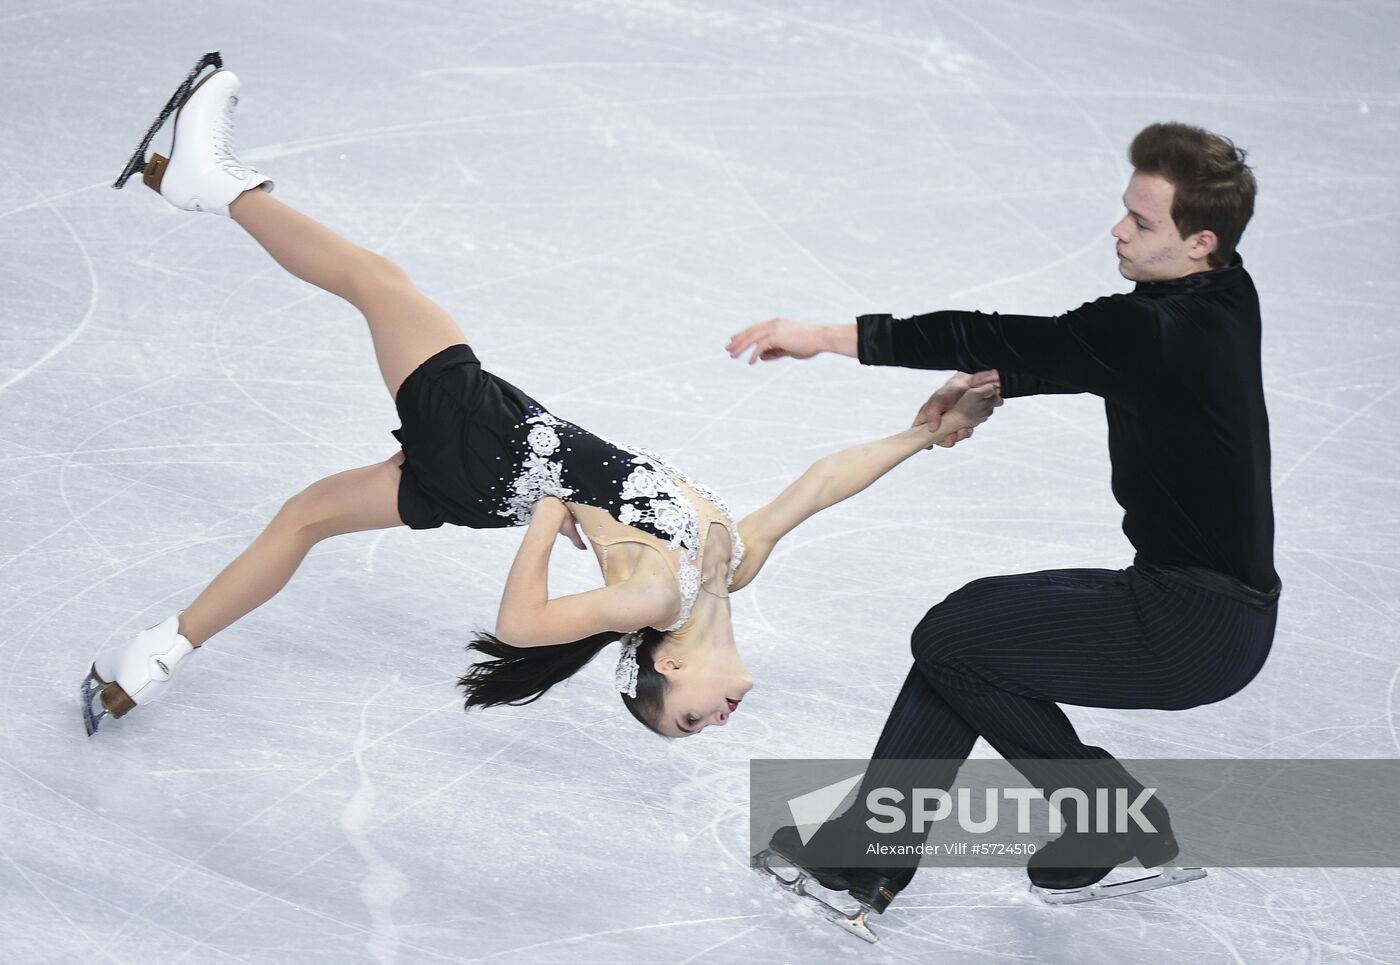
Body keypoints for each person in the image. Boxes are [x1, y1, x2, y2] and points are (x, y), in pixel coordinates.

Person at [81, 61, 1001, 740]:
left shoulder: (649, 596)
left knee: (374, 279)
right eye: (696, 725)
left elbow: (522, 624)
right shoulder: (726, 566)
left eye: (685, 720)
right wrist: (921, 435)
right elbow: (819, 483)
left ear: (668, 663)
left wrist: (551, 510)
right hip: (488, 472)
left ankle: (213, 181)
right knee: (304, 519)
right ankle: (146, 662)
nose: (711, 723)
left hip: (495, 447)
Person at [728, 121, 1281, 912]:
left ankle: (1101, 816)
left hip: (1192, 623)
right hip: (1202, 607)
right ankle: (869, 853)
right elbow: (1091, 357)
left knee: (956, 638)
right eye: (1125, 210)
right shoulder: (1222, 291)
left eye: (1143, 222)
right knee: (965, 636)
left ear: (1199, 240)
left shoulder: (1154, 324)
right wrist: (992, 386)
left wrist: (823, 336)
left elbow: (996, 333)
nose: (1118, 230)